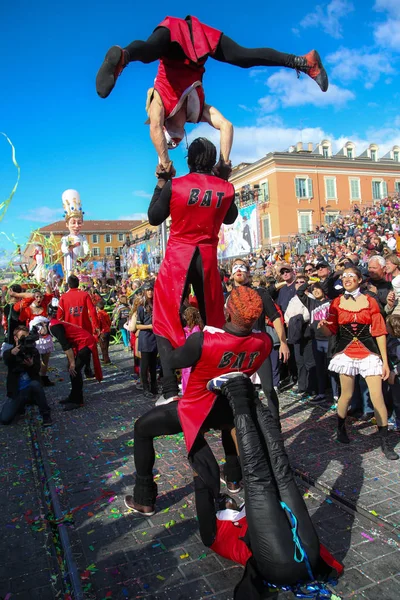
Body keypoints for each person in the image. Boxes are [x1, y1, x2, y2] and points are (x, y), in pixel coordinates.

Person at [96, 15, 328, 173]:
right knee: (244, 59)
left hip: (172, 41)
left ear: (166, 128)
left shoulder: (160, 105)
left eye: (172, 143)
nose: (176, 143)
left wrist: (165, 163)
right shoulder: (197, 113)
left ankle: (123, 57)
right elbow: (226, 125)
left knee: (148, 52)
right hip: (197, 46)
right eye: (175, 144)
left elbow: (154, 128)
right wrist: (224, 163)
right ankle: (306, 62)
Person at [124, 286, 272, 515]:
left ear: (229, 311)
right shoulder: (264, 342)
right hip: (227, 408)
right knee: (230, 425)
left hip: (196, 408)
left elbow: (172, 361)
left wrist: (162, 331)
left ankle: (144, 498)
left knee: (142, 429)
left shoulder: (205, 341)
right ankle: (233, 478)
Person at [196, 373, 343, 599]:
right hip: (289, 560)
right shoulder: (220, 530)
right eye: (224, 499)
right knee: (269, 475)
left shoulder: (217, 530)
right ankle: (238, 391)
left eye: (224, 499)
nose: (227, 498)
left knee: (272, 474)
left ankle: (247, 393)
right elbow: (204, 490)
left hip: (297, 558)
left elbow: (205, 492)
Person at [149, 137, 237, 405]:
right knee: (214, 322)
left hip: (179, 255)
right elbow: (231, 217)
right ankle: (212, 379)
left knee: (163, 318)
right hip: (207, 256)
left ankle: (169, 389)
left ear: (189, 160)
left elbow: (154, 217)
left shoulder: (177, 186)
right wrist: (221, 178)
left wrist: (162, 182)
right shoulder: (225, 188)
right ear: (212, 161)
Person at [318, 266, 399, 460]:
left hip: (368, 352)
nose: (346, 279)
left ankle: (385, 442)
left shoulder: (370, 302)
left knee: (377, 396)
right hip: (346, 353)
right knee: (346, 395)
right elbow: (330, 332)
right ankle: (340, 429)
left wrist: (385, 363)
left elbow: (379, 332)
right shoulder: (336, 303)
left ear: (359, 280)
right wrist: (323, 328)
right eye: (344, 276)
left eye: (350, 276)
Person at [48, 301, 103, 411]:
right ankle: (73, 396)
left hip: (86, 342)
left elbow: (66, 346)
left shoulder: (54, 326)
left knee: (75, 370)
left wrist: (72, 363)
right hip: (81, 343)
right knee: (73, 371)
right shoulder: (52, 325)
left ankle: (78, 400)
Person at [1, 325, 52, 427]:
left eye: (28, 337)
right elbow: (6, 358)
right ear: (16, 338)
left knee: (35, 384)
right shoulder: (10, 352)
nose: (26, 340)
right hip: (17, 391)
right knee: (5, 419)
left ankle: (46, 414)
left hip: (31, 389)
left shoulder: (33, 351)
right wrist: (12, 353)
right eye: (23, 337)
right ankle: (21, 405)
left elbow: (37, 370)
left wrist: (31, 365)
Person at [57, 274, 100, 378]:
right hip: (84, 328)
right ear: (78, 283)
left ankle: (73, 368)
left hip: (70, 329)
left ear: (69, 285)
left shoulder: (63, 297)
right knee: (86, 349)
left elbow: (59, 316)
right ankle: (87, 369)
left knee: (72, 349)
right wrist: (96, 326)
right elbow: (93, 311)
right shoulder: (84, 295)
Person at [60, 189, 90, 278]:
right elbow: (63, 249)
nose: (76, 226)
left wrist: (85, 256)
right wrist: (71, 247)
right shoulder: (65, 238)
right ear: (67, 224)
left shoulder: (83, 237)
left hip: (80, 266)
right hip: (69, 267)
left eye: (79, 222)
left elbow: (86, 249)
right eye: (73, 222)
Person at [136, 282, 158, 398]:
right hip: (145, 338)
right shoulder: (141, 307)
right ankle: (145, 388)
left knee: (154, 365)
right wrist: (150, 326)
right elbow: (138, 326)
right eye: (148, 290)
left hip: (155, 338)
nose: (150, 292)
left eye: (151, 290)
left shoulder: (157, 304)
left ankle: (154, 387)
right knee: (144, 365)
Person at [181, 306, 203, 394]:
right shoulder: (189, 329)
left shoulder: (196, 330)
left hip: (191, 360)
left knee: (189, 378)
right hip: (187, 360)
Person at [96, 300, 111, 364]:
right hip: (107, 330)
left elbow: (98, 323)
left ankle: (106, 360)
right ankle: (105, 358)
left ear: (98, 307)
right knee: (106, 346)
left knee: (103, 346)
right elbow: (109, 322)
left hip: (103, 331)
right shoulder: (106, 313)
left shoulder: (99, 314)